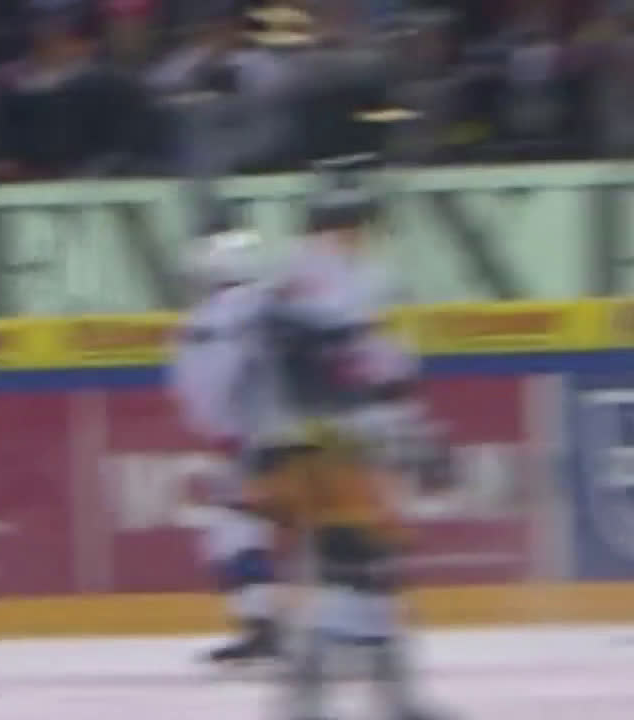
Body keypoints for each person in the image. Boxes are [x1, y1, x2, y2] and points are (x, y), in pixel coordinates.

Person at [245, 157, 443, 720]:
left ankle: (342, 694)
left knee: (357, 570)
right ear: (347, 225)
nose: (363, 237)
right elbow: (373, 364)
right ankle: (334, 694)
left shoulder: (285, 280)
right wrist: (411, 427)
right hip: (332, 448)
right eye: (359, 225)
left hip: (302, 445)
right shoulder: (348, 281)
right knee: (361, 569)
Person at [166, 224, 284, 666]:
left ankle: (262, 628)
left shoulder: (216, 318)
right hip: (310, 431)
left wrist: (219, 424)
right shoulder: (284, 304)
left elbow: (206, 386)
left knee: (233, 532)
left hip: (259, 439)